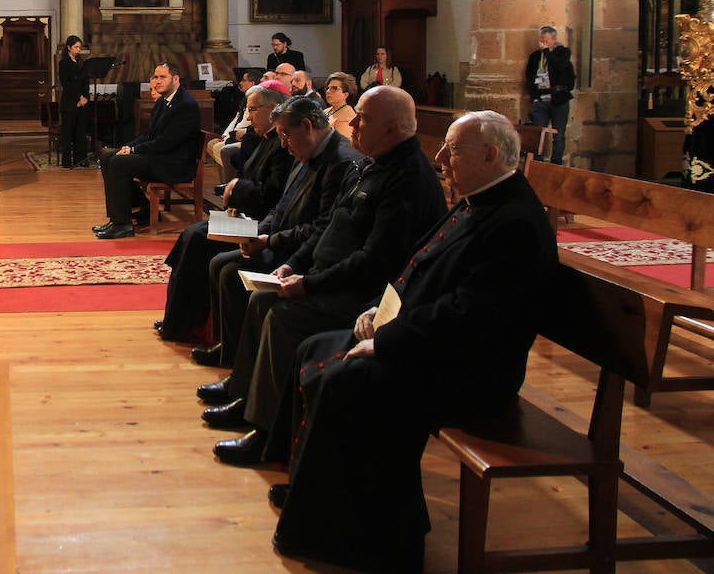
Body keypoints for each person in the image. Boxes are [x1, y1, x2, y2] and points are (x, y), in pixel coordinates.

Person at [265, 110, 557, 573]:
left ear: (491, 154)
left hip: (471, 370)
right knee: (315, 348)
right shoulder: (479, 199)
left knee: (347, 378)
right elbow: (417, 267)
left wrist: (387, 341)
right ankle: (315, 493)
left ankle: (356, 533)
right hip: (435, 343)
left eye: (453, 149)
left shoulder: (513, 222)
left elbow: (469, 315)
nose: (440, 157)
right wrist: (378, 313)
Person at [202, 87, 446, 465]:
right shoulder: (373, 163)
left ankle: (271, 435)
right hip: (328, 274)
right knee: (262, 296)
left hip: (363, 295)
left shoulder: (407, 178)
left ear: (393, 129)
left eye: (362, 118)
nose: (350, 124)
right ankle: (249, 401)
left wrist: (310, 283)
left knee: (283, 317)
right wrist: (293, 265)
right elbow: (329, 228)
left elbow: (374, 261)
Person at [192, 96, 360, 368]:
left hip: (300, 251)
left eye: (285, 134)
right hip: (280, 239)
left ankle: (237, 359)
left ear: (306, 126)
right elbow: (282, 205)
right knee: (215, 254)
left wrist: (269, 241)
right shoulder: (305, 149)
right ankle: (228, 349)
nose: (282, 143)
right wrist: (258, 231)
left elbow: (321, 227)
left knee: (229, 270)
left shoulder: (339, 161)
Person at [156, 83, 293, 342]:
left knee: (198, 238)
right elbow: (247, 176)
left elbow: (272, 195)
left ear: (273, 109)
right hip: (246, 214)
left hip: (258, 223)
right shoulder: (263, 139)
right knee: (190, 235)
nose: (249, 117)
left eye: (253, 110)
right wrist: (235, 191)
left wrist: (237, 188)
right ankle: (177, 317)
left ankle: (185, 324)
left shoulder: (282, 145)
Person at [92, 62, 201, 239]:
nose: (157, 81)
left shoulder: (185, 105)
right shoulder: (163, 101)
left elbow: (167, 143)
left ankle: (124, 225)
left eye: (162, 77)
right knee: (107, 158)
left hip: (173, 163)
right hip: (161, 156)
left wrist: (134, 150)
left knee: (118, 163)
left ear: (175, 79)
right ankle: (124, 216)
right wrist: (128, 147)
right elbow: (149, 134)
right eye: (155, 77)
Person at [525, 25, 575, 164]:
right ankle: (537, 164)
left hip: (558, 100)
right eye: (541, 40)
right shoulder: (535, 56)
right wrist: (534, 96)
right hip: (541, 100)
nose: (543, 43)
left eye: (546, 40)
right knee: (538, 134)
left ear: (554, 40)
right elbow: (530, 77)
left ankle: (556, 164)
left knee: (558, 135)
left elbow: (559, 66)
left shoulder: (563, 53)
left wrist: (547, 52)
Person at [206, 69, 259, 181]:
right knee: (211, 144)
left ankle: (231, 181)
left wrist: (230, 137)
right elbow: (236, 119)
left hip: (244, 136)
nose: (240, 83)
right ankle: (225, 181)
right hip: (235, 134)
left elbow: (246, 121)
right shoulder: (245, 98)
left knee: (221, 148)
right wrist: (225, 135)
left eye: (244, 80)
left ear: (252, 83)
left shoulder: (254, 98)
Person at [57, 35, 90, 168]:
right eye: (76, 47)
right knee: (68, 133)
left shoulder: (82, 63)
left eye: (79, 47)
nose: (78, 50)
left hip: (82, 102)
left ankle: (80, 159)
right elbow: (67, 84)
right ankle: (67, 161)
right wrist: (78, 98)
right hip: (70, 102)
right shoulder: (64, 63)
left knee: (80, 133)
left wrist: (85, 97)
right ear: (69, 47)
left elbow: (85, 82)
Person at [322, 72, 356, 138]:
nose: (328, 91)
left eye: (334, 88)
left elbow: (342, 144)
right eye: (328, 88)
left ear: (345, 94)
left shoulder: (347, 116)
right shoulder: (326, 111)